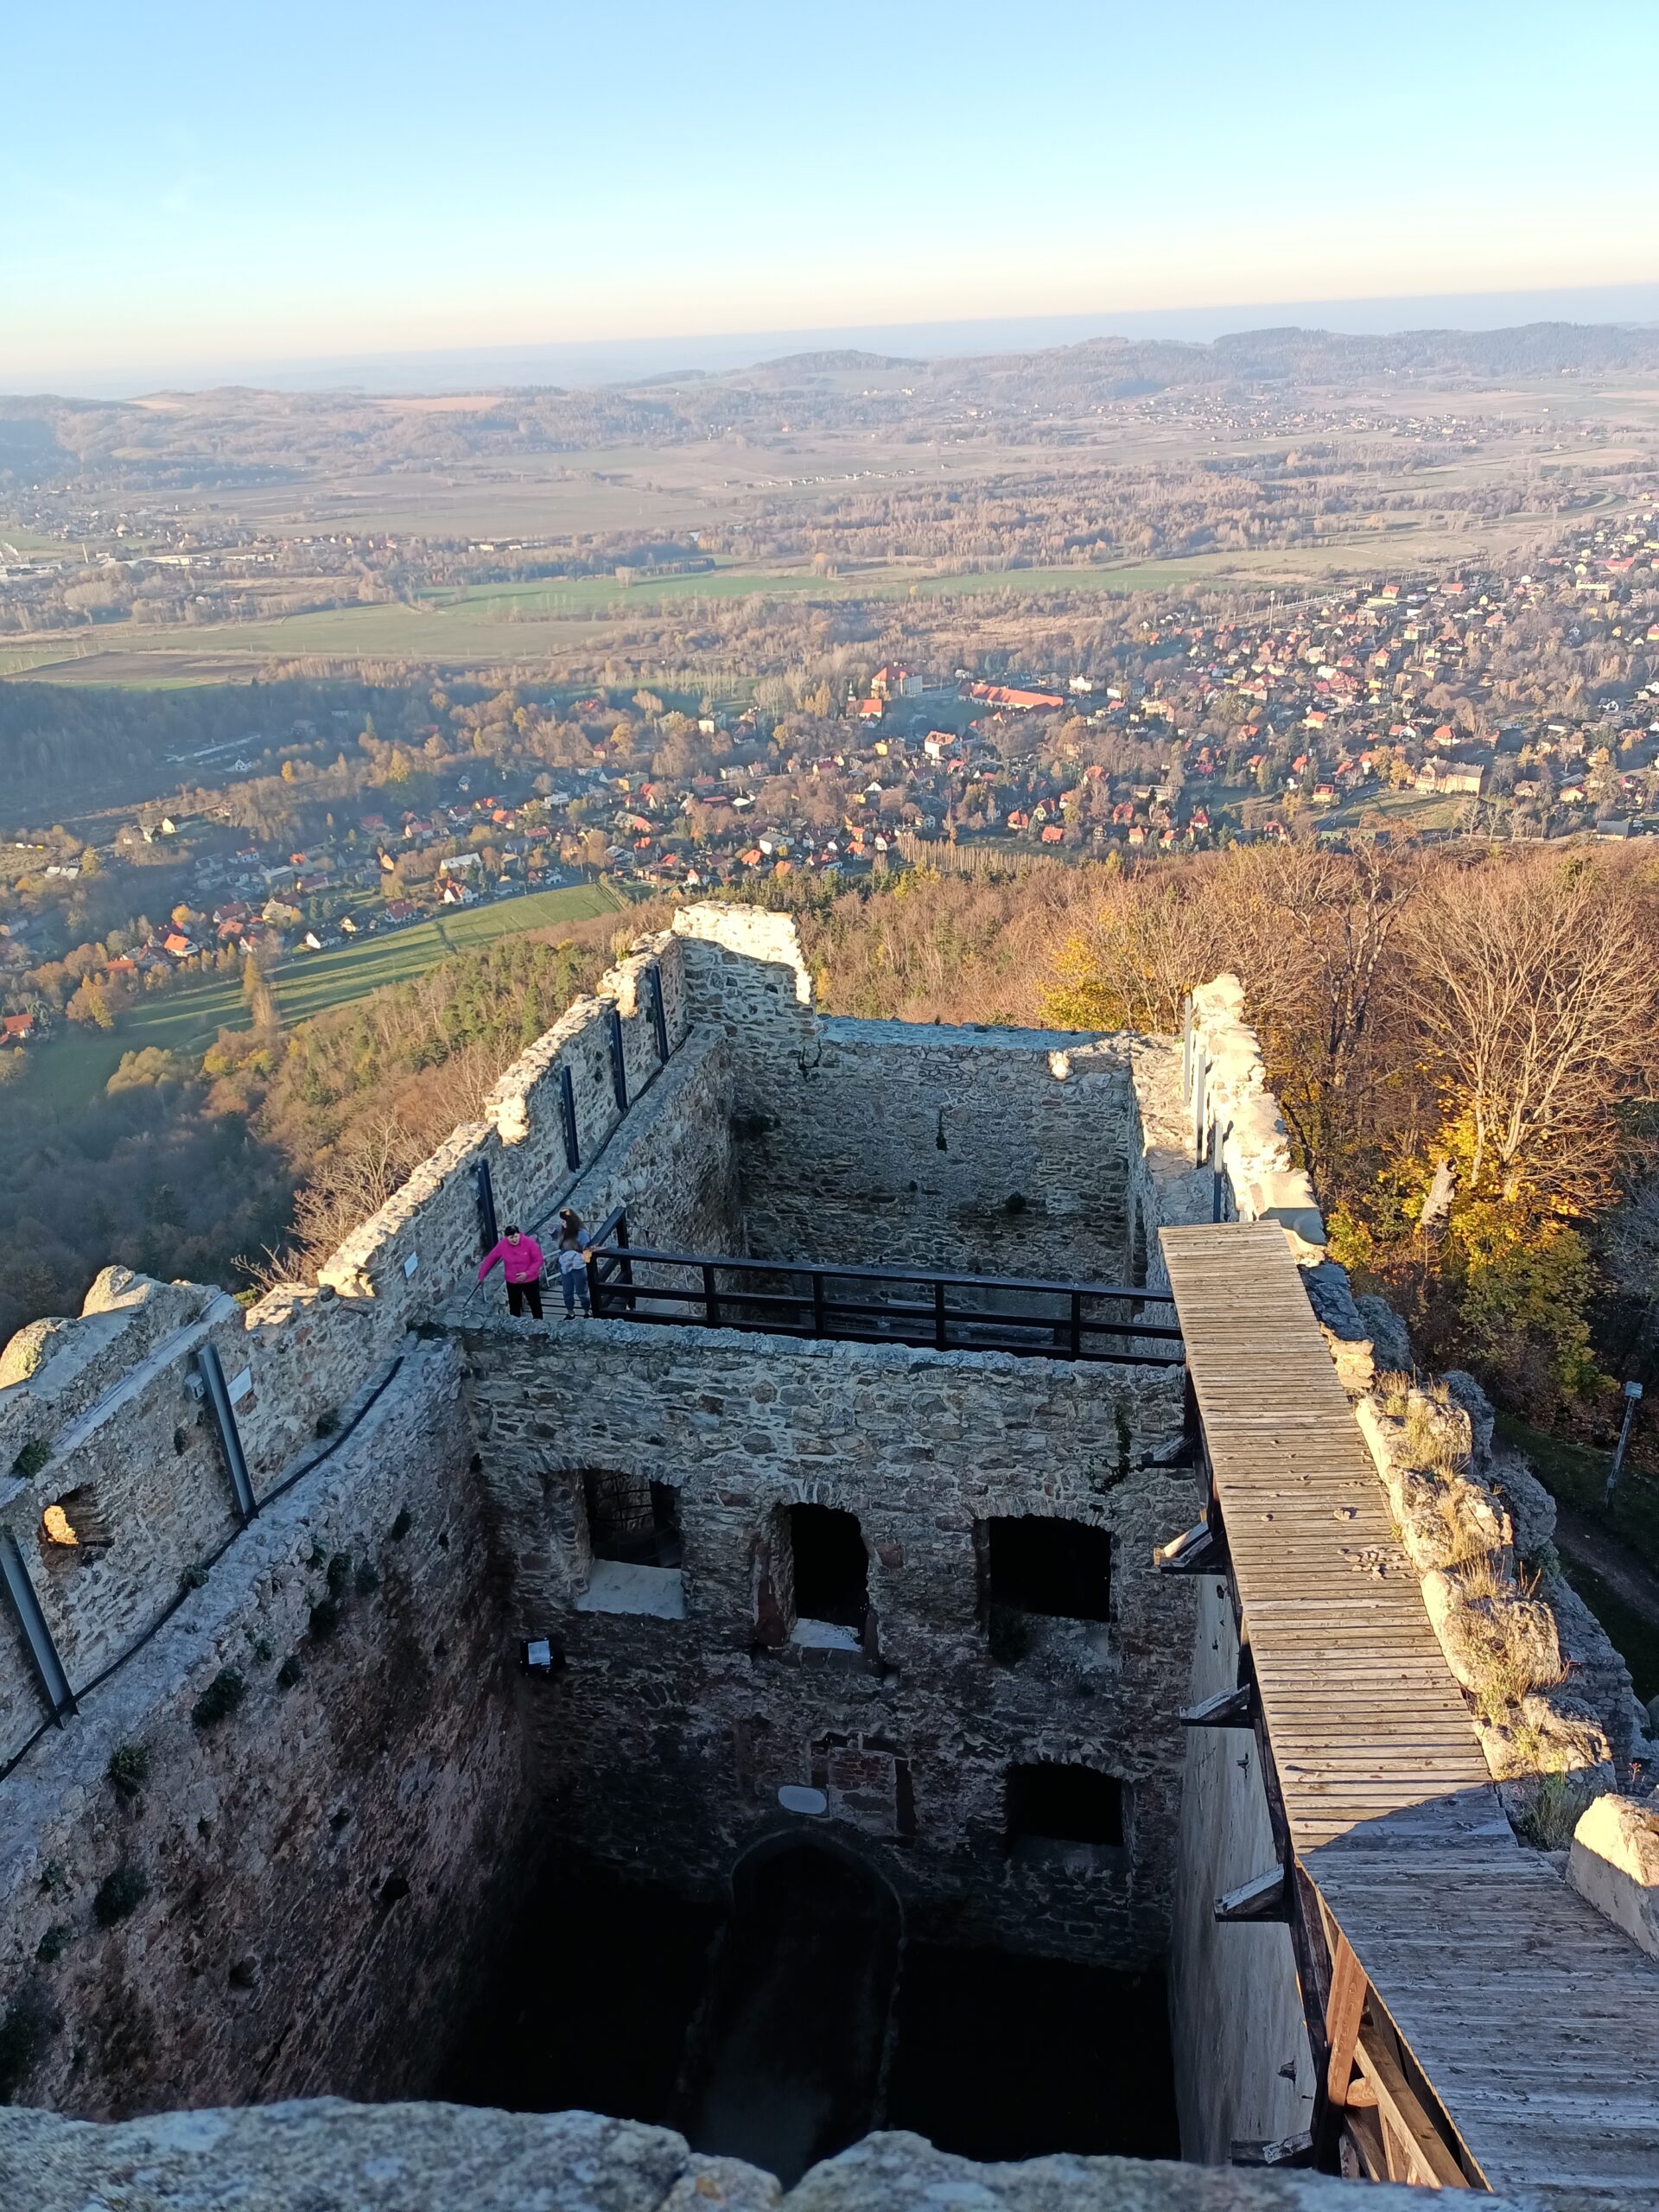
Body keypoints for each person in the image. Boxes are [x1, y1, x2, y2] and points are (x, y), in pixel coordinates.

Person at [477, 1224, 545, 1319]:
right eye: (511, 1237)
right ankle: (515, 1328)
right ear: (506, 1237)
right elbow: (490, 1259)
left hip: (530, 1280)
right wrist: (481, 1275)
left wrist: (527, 1273)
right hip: (512, 1281)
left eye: (516, 1236)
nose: (514, 1240)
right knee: (514, 1307)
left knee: (535, 1304)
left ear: (519, 1234)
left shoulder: (529, 1243)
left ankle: (540, 1326)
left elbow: (538, 1260)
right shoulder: (502, 1245)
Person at [556, 1207, 592, 1319]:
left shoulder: (582, 1234)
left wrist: (575, 1261)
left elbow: (587, 1253)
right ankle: (570, 1312)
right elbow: (561, 1247)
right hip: (565, 1267)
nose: (562, 1224)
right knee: (567, 1292)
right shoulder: (563, 1232)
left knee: (582, 1291)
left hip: (578, 1268)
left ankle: (587, 1311)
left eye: (563, 1221)